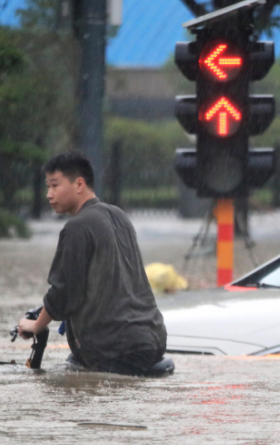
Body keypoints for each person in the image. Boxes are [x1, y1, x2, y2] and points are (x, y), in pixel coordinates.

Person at [17, 151, 168, 375]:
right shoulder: (120, 216)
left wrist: (36, 325)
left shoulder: (77, 226)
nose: (49, 194)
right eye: (48, 187)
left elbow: (64, 292)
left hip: (114, 350)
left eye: (55, 185)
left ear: (79, 184)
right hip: (153, 340)